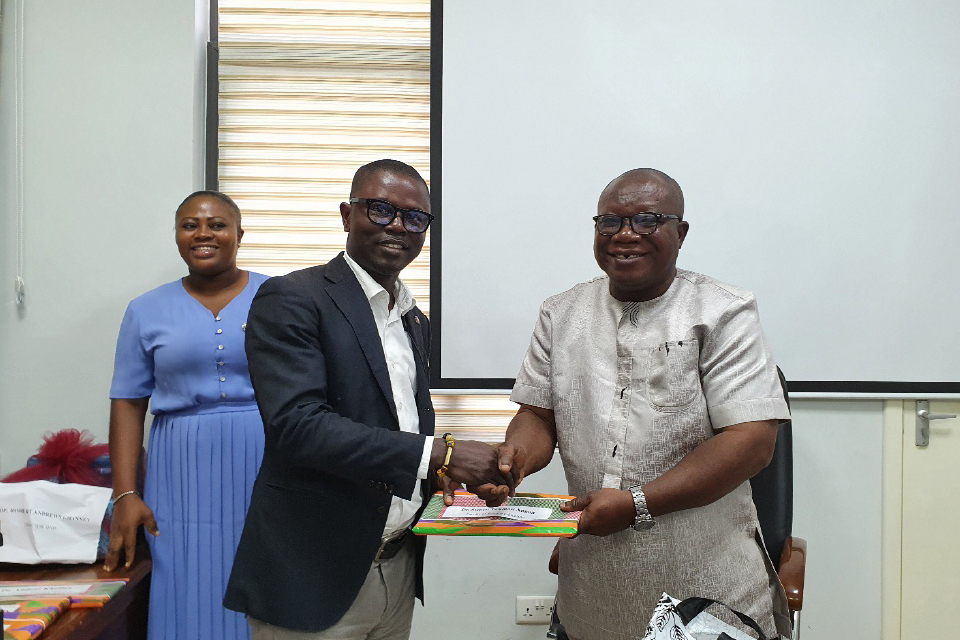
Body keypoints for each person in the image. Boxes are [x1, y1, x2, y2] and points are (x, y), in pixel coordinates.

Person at [483, 168, 792, 640]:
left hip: (706, 596)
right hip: (591, 588)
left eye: (647, 220)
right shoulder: (560, 313)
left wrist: (636, 505)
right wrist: (514, 460)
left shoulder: (723, 311)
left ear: (680, 232)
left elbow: (751, 443)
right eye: (609, 222)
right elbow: (537, 415)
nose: (624, 235)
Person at [224, 159, 513, 640]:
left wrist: (448, 473)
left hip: (397, 564)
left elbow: (396, 428)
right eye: (380, 209)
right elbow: (298, 426)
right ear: (347, 214)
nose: (398, 225)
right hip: (313, 575)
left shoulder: (412, 318)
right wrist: (440, 454)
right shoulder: (293, 297)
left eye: (414, 217)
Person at [105, 191, 270, 640]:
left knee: (267, 579)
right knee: (184, 578)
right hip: (178, 467)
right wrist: (125, 495)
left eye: (216, 224)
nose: (203, 234)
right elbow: (128, 401)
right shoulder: (145, 310)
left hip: (266, 458)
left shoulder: (279, 297)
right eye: (189, 224)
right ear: (177, 235)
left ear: (239, 233)